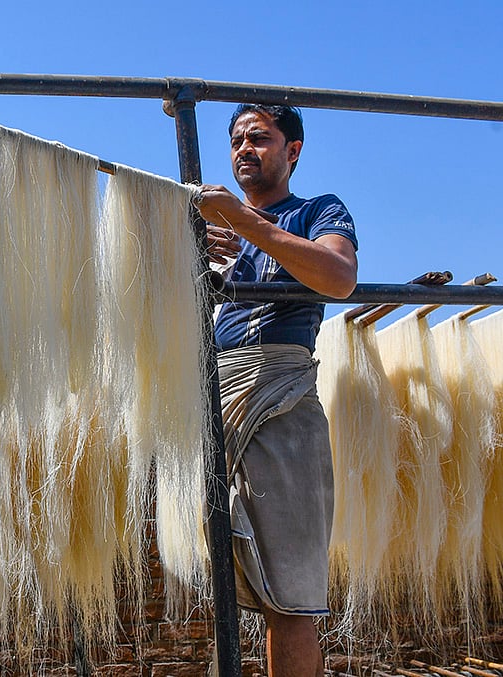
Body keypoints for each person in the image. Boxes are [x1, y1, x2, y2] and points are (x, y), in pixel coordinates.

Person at [194, 104, 358, 677]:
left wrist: (246, 223)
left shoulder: (317, 211)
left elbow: (338, 278)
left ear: (293, 151)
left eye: (259, 138)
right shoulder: (208, 228)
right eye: (236, 139)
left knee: (289, 598)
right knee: (224, 587)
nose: (244, 149)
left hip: (281, 402)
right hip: (218, 401)